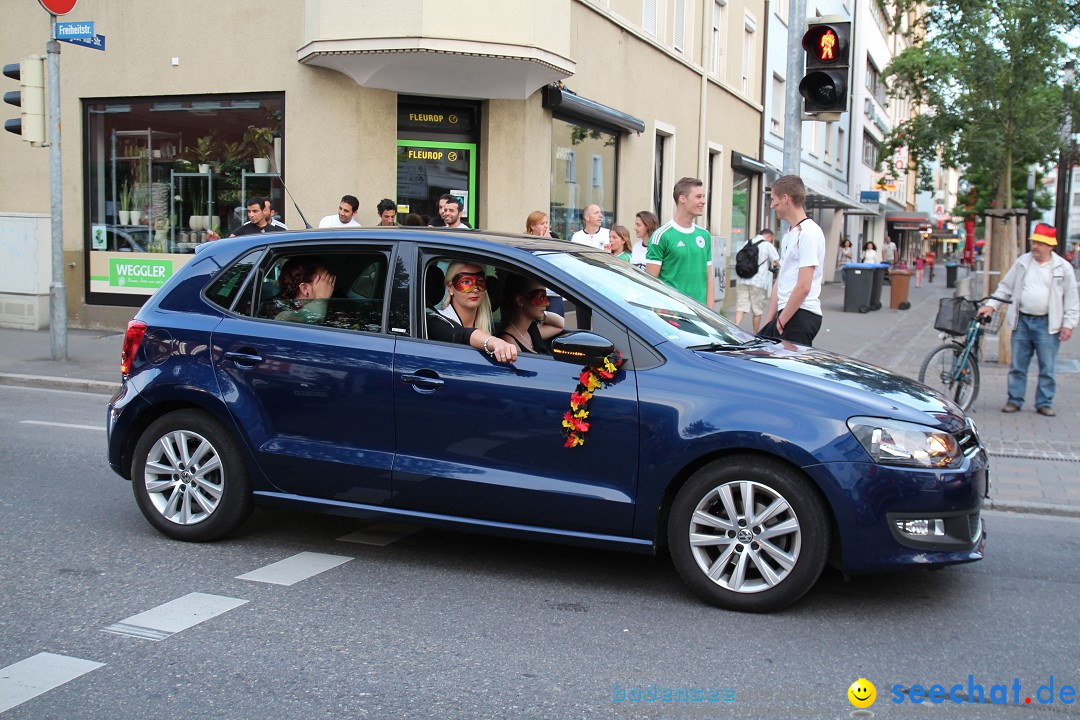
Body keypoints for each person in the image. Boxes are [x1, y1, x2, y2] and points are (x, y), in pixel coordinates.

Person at [977, 223, 1079, 416]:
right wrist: (991, 305)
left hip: (1048, 324)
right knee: (1017, 365)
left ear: (1050, 246)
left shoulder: (1062, 267)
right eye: (1035, 242)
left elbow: (1072, 298)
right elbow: (1005, 286)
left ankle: (1044, 402)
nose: (1035, 247)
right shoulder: (1023, 262)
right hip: (1022, 320)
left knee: (1047, 367)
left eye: (1040, 243)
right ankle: (1014, 400)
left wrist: (1069, 324)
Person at [760, 175, 825, 346]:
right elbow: (781, 280)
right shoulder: (791, 233)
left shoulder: (808, 233)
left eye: (774, 199)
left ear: (785, 198)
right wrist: (769, 322)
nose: (772, 205)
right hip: (788, 314)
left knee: (791, 371)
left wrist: (781, 322)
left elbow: (803, 287)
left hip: (800, 314)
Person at [427, 261, 518, 364]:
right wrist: (494, 342)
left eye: (479, 281)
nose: (475, 289)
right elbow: (460, 335)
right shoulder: (435, 322)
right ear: (450, 288)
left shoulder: (486, 325)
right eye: (466, 282)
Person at [646, 177, 713, 307]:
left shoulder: (704, 235)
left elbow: (709, 278)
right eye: (698, 197)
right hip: (672, 315)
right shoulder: (661, 235)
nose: (703, 201)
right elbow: (651, 283)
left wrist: (711, 314)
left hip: (701, 315)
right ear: (682, 199)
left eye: (704, 196)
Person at [498, 275, 565, 355]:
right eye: (540, 297)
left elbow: (560, 325)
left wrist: (542, 314)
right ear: (520, 301)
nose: (547, 304)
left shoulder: (530, 330)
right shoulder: (509, 342)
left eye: (545, 297)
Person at [734, 229, 779, 332]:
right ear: (769, 236)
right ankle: (755, 333)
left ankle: (734, 329)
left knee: (741, 307)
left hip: (742, 279)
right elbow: (777, 261)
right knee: (757, 310)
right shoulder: (767, 245)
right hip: (757, 282)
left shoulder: (747, 243)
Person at [270, 256, 335, 324]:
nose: (330, 286)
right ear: (305, 288)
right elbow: (306, 317)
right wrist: (322, 298)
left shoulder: (329, 309)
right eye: (324, 281)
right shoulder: (285, 317)